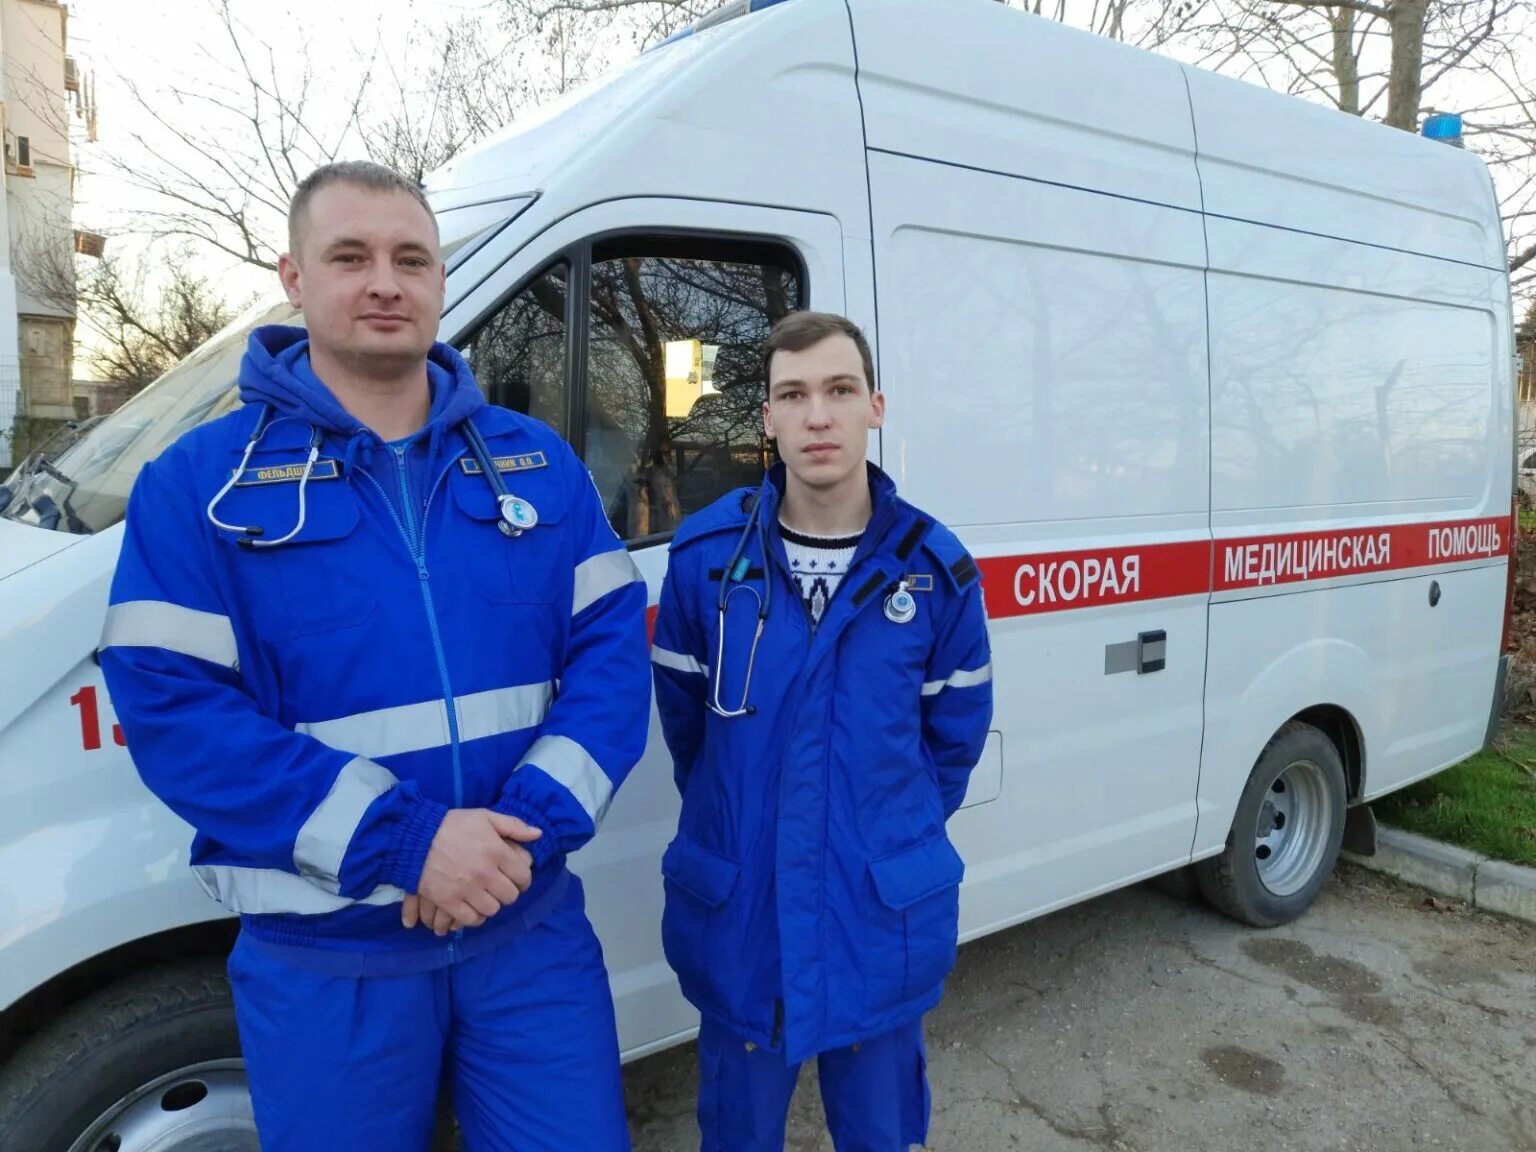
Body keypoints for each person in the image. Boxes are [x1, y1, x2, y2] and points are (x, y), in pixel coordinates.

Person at [99, 161, 649, 1152]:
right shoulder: (197, 487)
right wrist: (409, 844)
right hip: (325, 962)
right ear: (294, 279)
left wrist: (510, 839)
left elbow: (612, 662)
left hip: (526, 936)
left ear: (441, 281)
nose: (385, 281)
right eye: (350, 256)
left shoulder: (535, 461)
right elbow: (175, 714)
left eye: (411, 258)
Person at [650, 310, 995, 1151]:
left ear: (874, 406)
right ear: (765, 417)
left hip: (875, 921)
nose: (818, 416)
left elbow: (950, 745)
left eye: (839, 391)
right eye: (793, 395)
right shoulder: (703, 562)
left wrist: (876, 830)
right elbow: (690, 737)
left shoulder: (935, 571)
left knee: (882, 1136)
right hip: (743, 921)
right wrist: (748, 813)